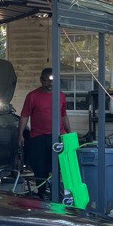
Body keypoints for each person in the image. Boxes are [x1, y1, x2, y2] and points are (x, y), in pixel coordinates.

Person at [18, 67, 71, 195]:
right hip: (39, 137)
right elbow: (25, 115)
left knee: (58, 166)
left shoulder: (61, 96)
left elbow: (64, 115)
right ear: (41, 80)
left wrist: (70, 134)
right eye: (47, 81)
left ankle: (56, 194)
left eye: (53, 81)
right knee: (40, 167)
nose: (50, 84)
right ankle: (41, 193)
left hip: (57, 136)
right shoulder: (32, 96)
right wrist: (20, 135)